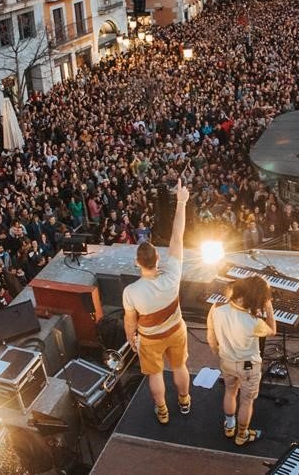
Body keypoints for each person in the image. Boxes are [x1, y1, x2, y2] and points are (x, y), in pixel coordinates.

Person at [122, 181, 190, 425]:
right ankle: (184, 401)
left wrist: (132, 339)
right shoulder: (172, 272)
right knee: (180, 366)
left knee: (155, 373)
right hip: (175, 330)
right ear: (158, 258)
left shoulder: (131, 291)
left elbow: (130, 322)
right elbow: (177, 236)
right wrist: (181, 201)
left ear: (138, 263)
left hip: (150, 338)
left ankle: (162, 410)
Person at [206, 275, 275, 447]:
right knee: (246, 401)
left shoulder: (216, 308)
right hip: (248, 366)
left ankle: (229, 426)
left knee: (230, 392)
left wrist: (218, 352)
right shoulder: (254, 322)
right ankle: (242, 435)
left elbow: (211, 337)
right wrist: (269, 308)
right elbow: (272, 330)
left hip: (226, 361)